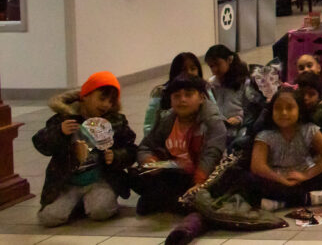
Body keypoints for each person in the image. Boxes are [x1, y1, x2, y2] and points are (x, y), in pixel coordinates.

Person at [33, 71, 136, 227]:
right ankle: (78, 204)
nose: (106, 104)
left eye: (111, 101)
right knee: (48, 218)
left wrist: (115, 156)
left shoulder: (115, 121)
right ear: (85, 95)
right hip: (68, 183)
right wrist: (59, 132)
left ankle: (90, 202)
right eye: (102, 98)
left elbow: (131, 149)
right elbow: (41, 144)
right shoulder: (64, 118)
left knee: (100, 211)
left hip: (99, 180)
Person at [135, 74, 227, 215]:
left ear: (201, 98)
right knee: (141, 189)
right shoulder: (167, 120)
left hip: (205, 175)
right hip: (175, 172)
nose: (182, 100)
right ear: (171, 100)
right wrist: (150, 161)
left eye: (188, 95)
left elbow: (212, 153)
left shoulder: (212, 122)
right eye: (177, 96)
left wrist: (199, 183)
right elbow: (146, 146)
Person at [248, 87, 322, 209]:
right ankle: (310, 198)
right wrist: (282, 180)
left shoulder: (309, 129)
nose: (284, 113)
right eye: (278, 108)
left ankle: (282, 203)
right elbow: (258, 166)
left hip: (303, 176)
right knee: (249, 180)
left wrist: (305, 176)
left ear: (300, 110)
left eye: (289, 108)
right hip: (276, 179)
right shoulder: (265, 135)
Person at [143, 52, 210, 136]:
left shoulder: (205, 91)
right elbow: (149, 126)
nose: (188, 73)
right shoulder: (161, 94)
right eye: (183, 70)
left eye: (193, 69)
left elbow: (214, 121)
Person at [204, 44, 254, 131]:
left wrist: (239, 118)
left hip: (240, 129)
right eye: (211, 66)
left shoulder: (244, 82)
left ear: (229, 60)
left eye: (218, 64)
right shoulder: (211, 84)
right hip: (219, 128)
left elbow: (251, 109)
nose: (214, 69)